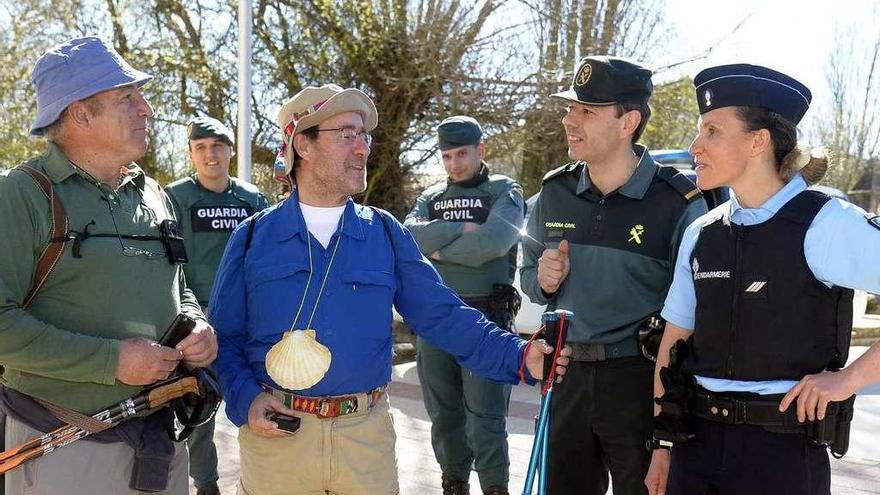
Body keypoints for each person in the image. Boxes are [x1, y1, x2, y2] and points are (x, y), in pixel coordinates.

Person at [210, 84, 570, 495]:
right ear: (303, 146)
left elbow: (443, 315)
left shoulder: (383, 232)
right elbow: (225, 339)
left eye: (364, 136)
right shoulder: (253, 237)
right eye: (347, 134)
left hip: (366, 444)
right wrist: (247, 401)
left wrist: (521, 356)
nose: (363, 148)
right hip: (278, 442)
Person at [644, 63, 880, 495]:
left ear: (759, 140)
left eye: (712, 130)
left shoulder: (826, 223)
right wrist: (661, 444)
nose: (696, 145)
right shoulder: (701, 232)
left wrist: (848, 379)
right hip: (693, 449)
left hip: (781, 454)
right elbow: (673, 343)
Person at [0, 36, 217, 495]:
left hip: (162, 440)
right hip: (65, 446)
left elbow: (180, 288)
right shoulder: (22, 196)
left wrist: (198, 326)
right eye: (127, 98)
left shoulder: (154, 195)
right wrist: (112, 361)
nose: (147, 110)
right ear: (81, 114)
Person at [520, 55, 708, 495]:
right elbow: (531, 277)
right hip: (564, 376)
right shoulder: (555, 191)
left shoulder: (677, 201)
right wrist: (543, 280)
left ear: (629, 123)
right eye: (570, 108)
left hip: (639, 382)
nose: (570, 120)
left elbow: (700, 309)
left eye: (587, 111)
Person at [404, 115, 525, 495]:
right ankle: (453, 483)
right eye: (446, 156)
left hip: (486, 315)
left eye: (462, 153)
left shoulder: (504, 190)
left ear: (480, 150)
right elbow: (410, 235)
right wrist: (459, 228)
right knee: (444, 414)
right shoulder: (431, 197)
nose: (454, 163)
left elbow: (493, 244)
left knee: (485, 418)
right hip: (436, 318)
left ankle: (495, 488)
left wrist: (438, 247)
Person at [165, 116, 268, 495]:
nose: (211, 155)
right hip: (196, 319)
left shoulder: (253, 199)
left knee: (255, 397)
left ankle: (259, 481)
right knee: (199, 408)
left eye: (218, 146)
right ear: (192, 153)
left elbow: (266, 259)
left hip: (247, 320)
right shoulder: (174, 197)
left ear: (230, 150)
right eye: (201, 147)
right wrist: (191, 313)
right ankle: (207, 485)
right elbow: (167, 261)